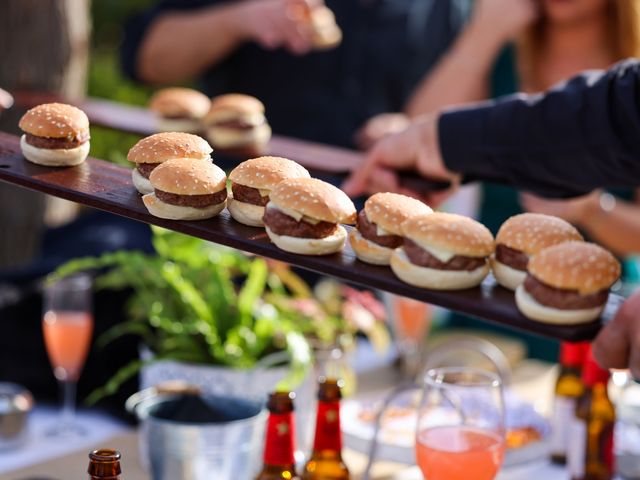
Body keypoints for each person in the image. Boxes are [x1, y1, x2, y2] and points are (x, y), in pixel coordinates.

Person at [343, 59, 640, 376]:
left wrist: (591, 209)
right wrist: (440, 142)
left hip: (568, 345)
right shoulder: (506, 57)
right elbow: (618, 112)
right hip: (477, 318)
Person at [404, 0, 640, 254]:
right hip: (488, 273)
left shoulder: (631, 86)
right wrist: (483, 32)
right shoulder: (503, 55)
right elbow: (417, 139)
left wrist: (591, 209)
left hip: (599, 283)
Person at [121, 0, 470, 149]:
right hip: (226, 197)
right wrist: (236, 20)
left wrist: (407, 129)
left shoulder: (449, 8)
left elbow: (447, 123)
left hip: (357, 220)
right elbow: (144, 60)